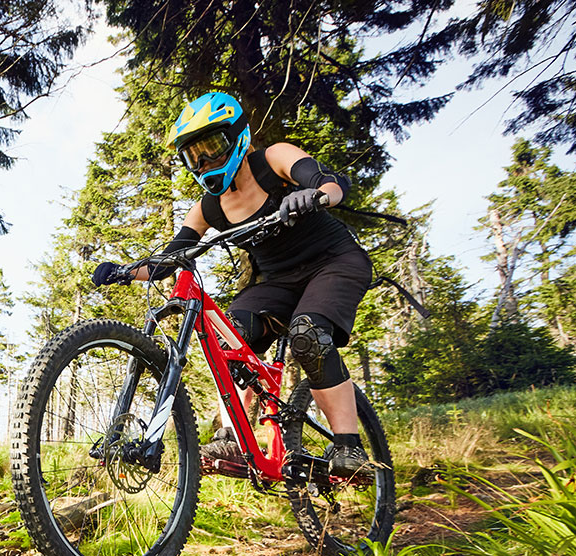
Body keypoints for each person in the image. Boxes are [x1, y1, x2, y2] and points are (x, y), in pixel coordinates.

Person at [90, 91, 372, 478]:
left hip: (334, 262)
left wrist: (315, 194)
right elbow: (167, 262)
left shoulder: (274, 159)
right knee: (229, 340)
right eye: (194, 155)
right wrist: (124, 271)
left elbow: (332, 183)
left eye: (212, 147)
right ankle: (231, 439)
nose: (205, 161)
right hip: (276, 282)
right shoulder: (208, 207)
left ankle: (349, 447)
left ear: (238, 135)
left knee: (308, 334)